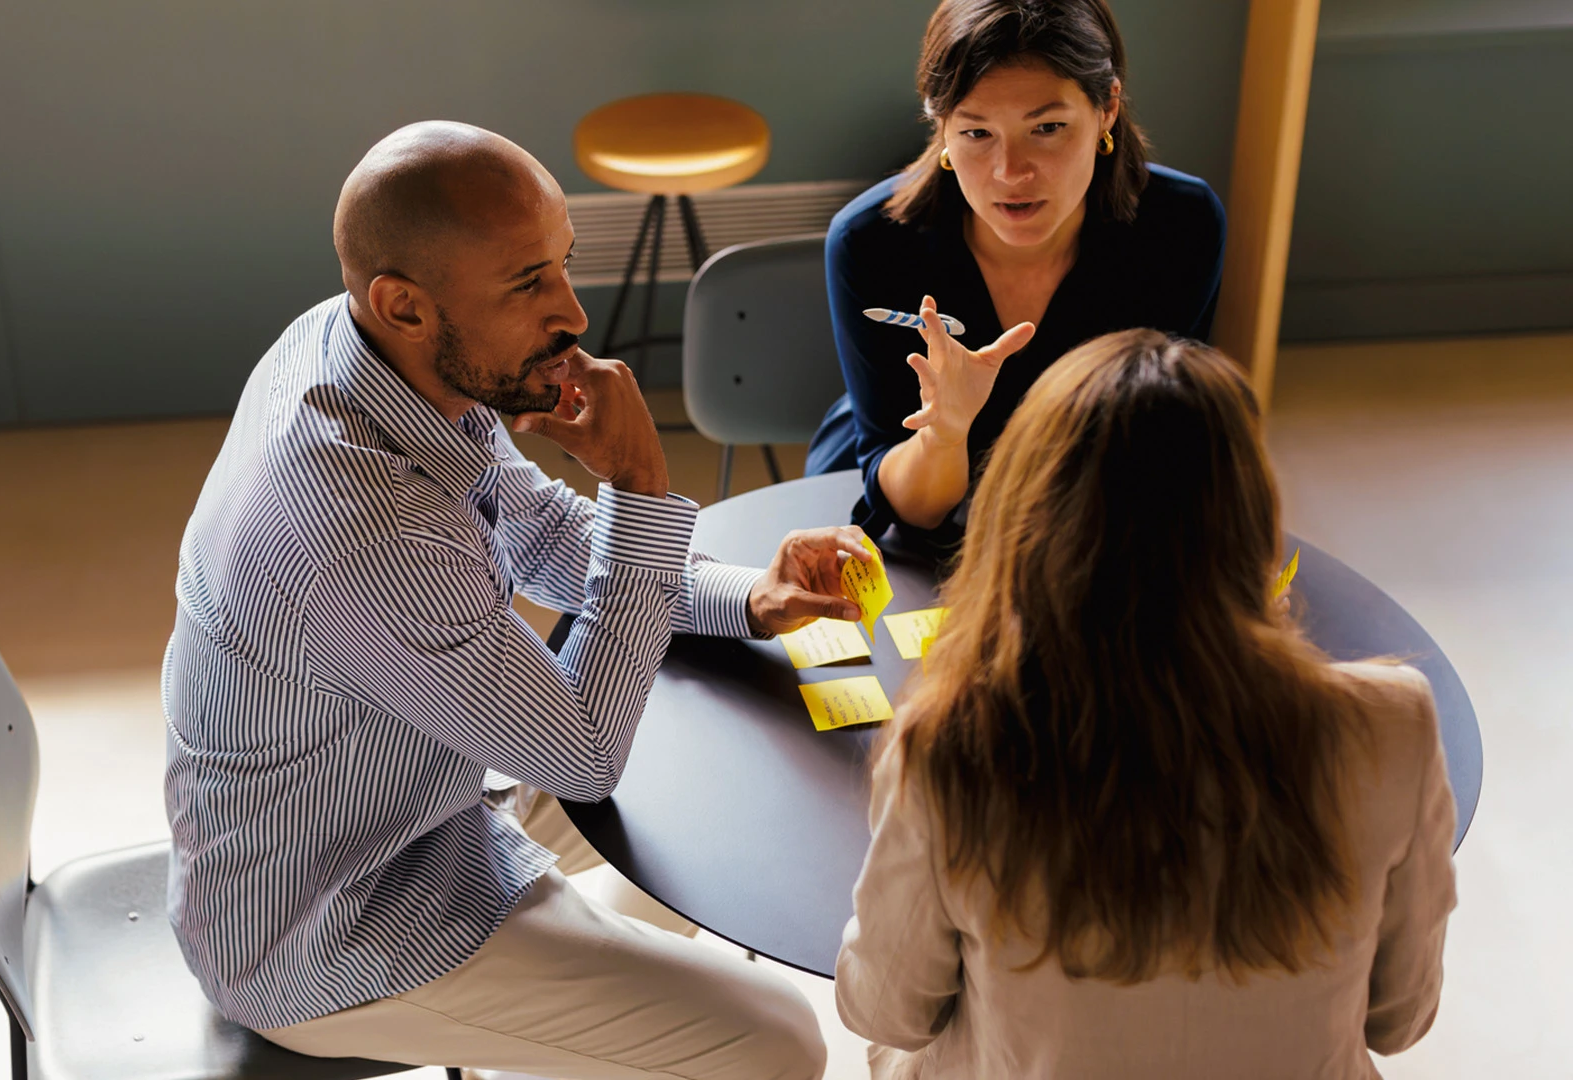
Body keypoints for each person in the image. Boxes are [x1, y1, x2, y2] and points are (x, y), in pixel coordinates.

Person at [162, 120, 859, 1080]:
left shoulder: (369, 352)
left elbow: (545, 540)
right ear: (403, 304)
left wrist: (751, 596)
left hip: (418, 797)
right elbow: (583, 756)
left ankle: (590, 1011)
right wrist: (644, 493)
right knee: (777, 1040)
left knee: (704, 759)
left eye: (563, 264)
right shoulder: (360, 517)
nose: (572, 312)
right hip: (334, 926)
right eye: (528, 283)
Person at [836, 330, 1457, 1079]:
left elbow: (885, 1012)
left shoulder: (950, 744)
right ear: (1250, 517)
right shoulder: (1394, 724)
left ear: (1022, 522)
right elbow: (1399, 1020)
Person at [805, 0, 1226, 558]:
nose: (1011, 174)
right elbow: (914, 509)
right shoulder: (871, 243)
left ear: (1107, 109)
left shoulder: (1181, 226)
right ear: (941, 126)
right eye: (977, 133)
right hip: (914, 508)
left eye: (1047, 127)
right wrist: (944, 434)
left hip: (1091, 503)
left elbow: (1161, 437)